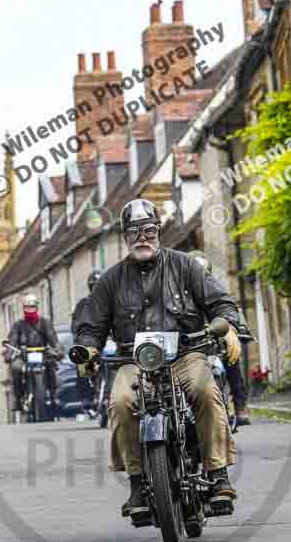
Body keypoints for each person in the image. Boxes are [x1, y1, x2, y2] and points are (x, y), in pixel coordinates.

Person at [74, 198, 242, 517]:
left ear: (159, 232)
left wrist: (228, 325)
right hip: (134, 363)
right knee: (121, 403)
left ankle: (218, 475)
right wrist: (87, 349)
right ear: (125, 236)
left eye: (149, 229)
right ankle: (138, 483)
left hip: (185, 356)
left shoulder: (186, 266)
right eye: (135, 231)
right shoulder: (110, 281)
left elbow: (221, 302)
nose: (142, 236)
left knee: (207, 391)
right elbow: (91, 324)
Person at [189, 250, 254, 427]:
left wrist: (238, 327)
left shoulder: (216, 291)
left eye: (202, 273)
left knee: (232, 358)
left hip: (215, 343)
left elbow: (229, 307)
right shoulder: (180, 298)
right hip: (190, 348)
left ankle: (240, 407)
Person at [4, 293, 63, 413]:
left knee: (53, 366)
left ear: (37, 307)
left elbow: (53, 339)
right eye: (27, 307)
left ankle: (54, 395)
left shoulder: (45, 323)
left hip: (43, 354)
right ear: (23, 308)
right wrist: (9, 353)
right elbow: (13, 340)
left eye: (32, 307)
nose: (30, 310)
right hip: (24, 355)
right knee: (15, 368)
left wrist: (57, 350)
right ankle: (18, 397)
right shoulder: (18, 325)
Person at [71, 270, 103, 415]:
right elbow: (76, 324)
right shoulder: (82, 305)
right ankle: (87, 399)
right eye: (94, 286)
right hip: (92, 343)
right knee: (83, 363)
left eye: (99, 285)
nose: (96, 289)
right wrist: (80, 337)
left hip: (110, 343)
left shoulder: (113, 301)